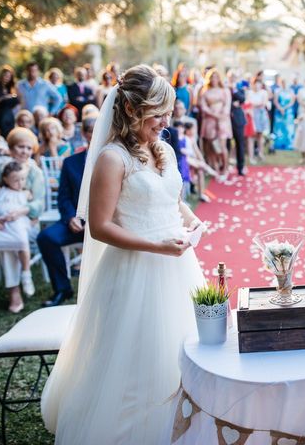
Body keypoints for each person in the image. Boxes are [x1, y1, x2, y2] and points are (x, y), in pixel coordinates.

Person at [41, 64, 207, 443]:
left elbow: (171, 198)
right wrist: (157, 246)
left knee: (181, 349)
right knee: (136, 358)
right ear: (132, 110)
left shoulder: (161, 146)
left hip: (176, 263)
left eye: (168, 111)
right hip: (134, 269)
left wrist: (193, 221)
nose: (166, 120)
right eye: (158, 112)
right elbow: (100, 226)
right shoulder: (112, 159)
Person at [38, 118, 95, 307]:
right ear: (85, 134)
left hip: (105, 225)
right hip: (76, 222)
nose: (95, 135)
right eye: (91, 131)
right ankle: (63, 289)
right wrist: (71, 217)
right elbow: (63, 197)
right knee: (46, 238)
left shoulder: (116, 160)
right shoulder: (70, 163)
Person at [0, 127, 45, 313]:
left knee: (10, 238)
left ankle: (14, 291)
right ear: (11, 148)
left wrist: (19, 212)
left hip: (26, 221)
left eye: (28, 148)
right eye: (19, 147)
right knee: (3, 233)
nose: (24, 151)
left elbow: (39, 204)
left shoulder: (35, 172)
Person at [0, 162, 36, 311]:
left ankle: (25, 274)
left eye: (22, 179)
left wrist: (19, 213)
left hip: (18, 223)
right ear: (5, 179)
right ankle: (14, 290)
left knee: (19, 241)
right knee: (3, 242)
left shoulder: (25, 193)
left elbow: (34, 208)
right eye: (15, 180)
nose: (20, 183)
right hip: (0, 224)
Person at [247, 76, 270, 163]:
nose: (257, 86)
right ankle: (251, 156)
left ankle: (261, 153)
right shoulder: (249, 93)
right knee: (251, 137)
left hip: (260, 116)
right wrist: (255, 105)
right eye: (255, 84)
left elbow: (263, 103)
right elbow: (248, 104)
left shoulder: (264, 92)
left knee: (260, 136)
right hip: (252, 116)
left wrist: (254, 104)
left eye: (258, 84)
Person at [0, 65, 20, 138]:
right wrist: (3, 98)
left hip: (11, 117)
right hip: (0, 116)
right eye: (5, 75)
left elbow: (18, 102)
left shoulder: (11, 89)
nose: (7, 78)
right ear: (1, 75)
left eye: (9, 76)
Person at [272, 77, 296, 150]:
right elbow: (275, 101)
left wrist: (285, 108)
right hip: (279, 111)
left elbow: (292, 101)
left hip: (288, 112)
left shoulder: (291, 91)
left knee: (289, 127)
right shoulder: (277, 90)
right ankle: (279, 143)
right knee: (279, 127)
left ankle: (289, 144)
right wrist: (280, 108)